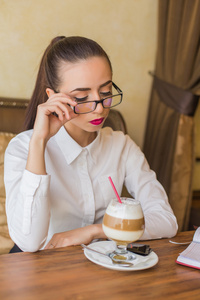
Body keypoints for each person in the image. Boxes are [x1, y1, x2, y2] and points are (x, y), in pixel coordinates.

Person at [4, 36, 178, 253]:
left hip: (99, 266)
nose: (99, 108)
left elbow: (166, 220)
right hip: (41, 268)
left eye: (105, 92)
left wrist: (95, 231)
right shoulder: (22, 148)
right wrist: (39, 141)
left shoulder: (121, 146)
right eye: (82, 97)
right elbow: (28, 243)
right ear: (53, 97)